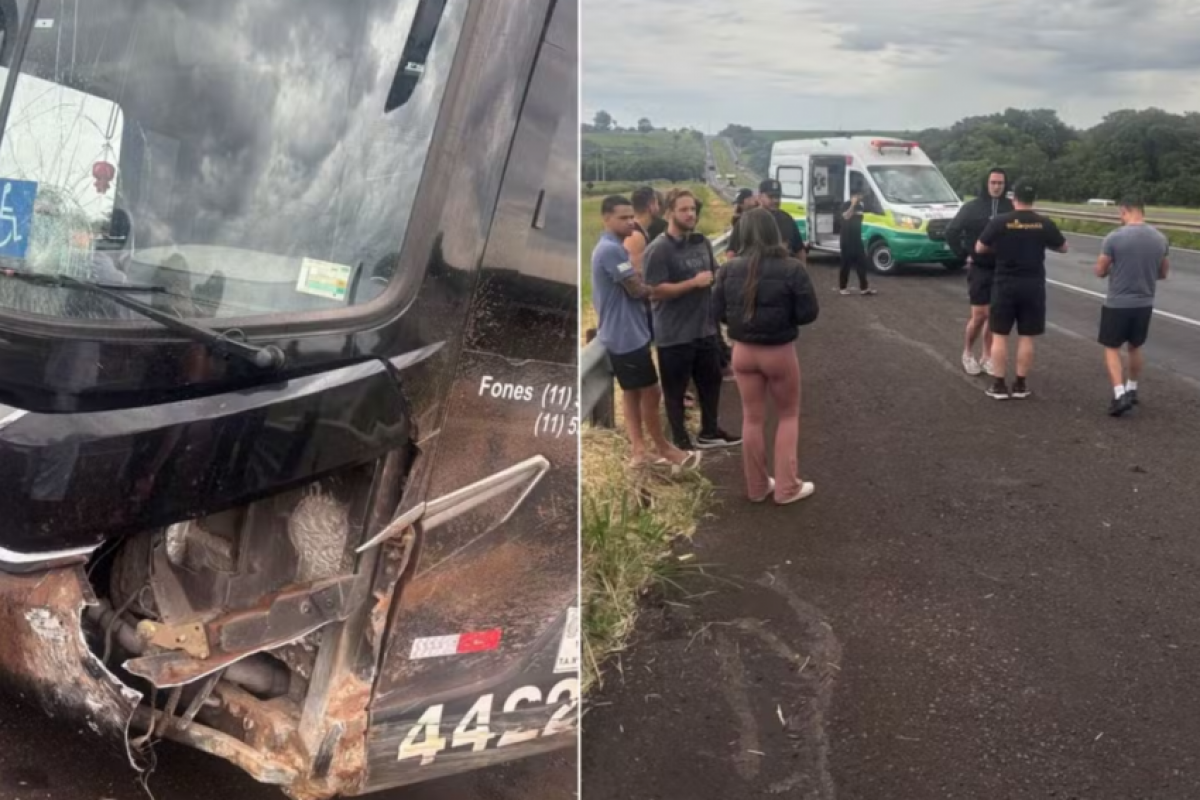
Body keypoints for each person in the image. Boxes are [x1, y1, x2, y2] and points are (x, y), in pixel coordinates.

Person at [713, 207, 818, 504]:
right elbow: (809, 313)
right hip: (779, 351)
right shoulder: (791, 268)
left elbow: (717, 312)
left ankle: (757, 487)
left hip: (742, 352)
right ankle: (787, 487)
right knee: (787, 416)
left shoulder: (728, 269)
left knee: (752, 418)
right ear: (774, 232)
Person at [591, 195, 699, 468]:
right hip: (625, 334)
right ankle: (663, 448)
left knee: (633, 392)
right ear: (606, 219)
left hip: (627, 331)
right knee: (651, 392)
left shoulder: (613, 247)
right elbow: (636, 289)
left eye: (631, 217)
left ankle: (640, 452)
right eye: (623, 218)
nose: (630, 222)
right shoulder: (611, 250)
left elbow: (634, 282)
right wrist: (658, 288)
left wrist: (640, 282)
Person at [644, 188, 742, 450]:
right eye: (684, 209)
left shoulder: (702, 242)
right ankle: (681, 442)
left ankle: (710, 431)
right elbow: (654, 291)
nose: (690, 214)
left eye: (693, 210)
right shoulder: (659, 249)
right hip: (674, 334)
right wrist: (693, 283)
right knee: (675, 392)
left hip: (705, 329)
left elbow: (714, 272)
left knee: (711, 383)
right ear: (669, 213)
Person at [975, 179, 1068, 400]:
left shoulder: (1000, 221)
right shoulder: (1044, 223)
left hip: (1005, 283)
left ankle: (998, 385)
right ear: (1033, 199)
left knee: (1000, 335)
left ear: (1013, 197)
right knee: (1027, 337)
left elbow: (979, 247)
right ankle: (1020, 384)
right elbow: (1063, 247)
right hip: (1033, 284)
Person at [1093, 196, 1169, 416]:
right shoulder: (1160, 238)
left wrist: (1111, 269)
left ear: (1125, 211)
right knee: (1135, 346)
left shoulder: (1114, 237)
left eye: (1120, 213)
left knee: (1111, 348)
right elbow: (1163, 272)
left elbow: (1100, 270)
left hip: (1118, 302)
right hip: (1144, 302)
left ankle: (1119, 394)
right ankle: (1132, 388)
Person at [946, 167, 1013, 376]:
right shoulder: (972, 208)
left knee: (994, 316)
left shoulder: (1010, 207)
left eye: (1000, 183)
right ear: (986, 183)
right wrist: (963, 254)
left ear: (1005, 185)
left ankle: (987, 356)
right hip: (979, 268)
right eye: (993, 182)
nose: (996, 187)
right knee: (979, 315)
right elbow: (952, 231)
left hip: (1002, 269)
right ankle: (967, 353)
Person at [727, 179, 806, 262]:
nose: (776, 200)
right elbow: (731, 252)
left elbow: (799, 251)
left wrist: (802, 271)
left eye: (778, 197)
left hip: (783, 273)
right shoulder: (747, 220)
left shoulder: (787, 219)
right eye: (771, 197)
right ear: (760, 196)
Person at [838, 191, 875, 295]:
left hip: (857, 239)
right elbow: (846, 217)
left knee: (862, 263)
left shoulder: (861, 207)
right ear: (852, 196)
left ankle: (864, 288)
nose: (860, 197)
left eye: (861, 195)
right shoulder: (845, 205)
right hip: (846, 240)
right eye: (858, 195)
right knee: (846, 264)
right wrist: (852, 205)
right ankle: (842, 287)